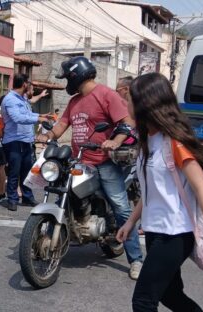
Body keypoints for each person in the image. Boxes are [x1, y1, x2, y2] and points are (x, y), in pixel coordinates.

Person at [116, 73, 203, 311]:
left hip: (175, 233)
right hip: (154, 230)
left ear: (146, 103)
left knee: (143, 300)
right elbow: (154, 191)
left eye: (129, 98)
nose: (125, 103)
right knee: (170, 295)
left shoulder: (174, 143)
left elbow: (202, 188)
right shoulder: (146, 140)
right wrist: (131, 221)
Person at [36, 56, 143, 279]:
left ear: (75, 76)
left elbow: (127, 121)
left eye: (67, 78)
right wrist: (47, 135)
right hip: (79, 160)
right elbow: (62, 126)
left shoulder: (106, 95)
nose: (67, 83)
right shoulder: (75, 102)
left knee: (121, 207)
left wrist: (116, 140)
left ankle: (136, 260)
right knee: (61, 198)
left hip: (104, 162)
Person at [1, 74, 52, 211]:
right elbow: (17, 117)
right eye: (29, 84)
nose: (31, 87)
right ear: (24, 84)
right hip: (14, 141)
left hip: (26, 140)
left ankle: (27, 197)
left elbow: (28, 115)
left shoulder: (22, 99)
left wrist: (40, 116)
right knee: (14, 172)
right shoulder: (10, 99)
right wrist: (38, 119)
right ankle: (12, 199)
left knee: (26, 171)